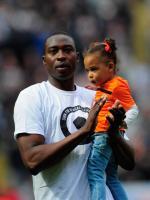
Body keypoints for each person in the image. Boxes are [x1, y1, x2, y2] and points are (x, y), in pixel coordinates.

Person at [13, 33, 135, 200]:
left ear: (77, 58)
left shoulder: (95, 97)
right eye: (54, 51)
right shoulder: (32, 96)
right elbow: (32, 160)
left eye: (67, 50)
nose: (61, 56)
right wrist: (83, 132)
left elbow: (129, 163)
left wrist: (114, 133)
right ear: (44, 60)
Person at [84, 38, 138, 200]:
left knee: (95, 173)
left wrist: (120, 125)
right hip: (107, 136)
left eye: (94, 69)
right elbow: (108, 97)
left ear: (110, 66)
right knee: (111, 178)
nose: (90, 75)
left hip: (103, 135)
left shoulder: (118, 85)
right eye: (87, 70)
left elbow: (134, 110)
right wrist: (95, 89)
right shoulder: (107, 86)